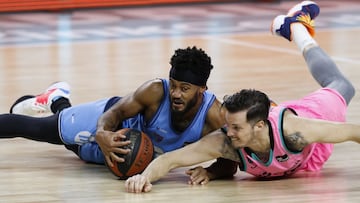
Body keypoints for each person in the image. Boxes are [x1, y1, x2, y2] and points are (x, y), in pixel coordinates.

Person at [124, 1, 359, 193]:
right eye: (228, 125)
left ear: (259, 126)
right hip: (296, 164)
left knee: (342, 86)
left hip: (313, 122)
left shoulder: (296, 131)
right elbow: (169, 160)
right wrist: (143, 178)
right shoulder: (226, 141)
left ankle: (296, 28)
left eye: (236, 127)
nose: (229, 132)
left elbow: (354, 132)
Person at [4, 46, 238, 181]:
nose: (175, 93)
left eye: (184, 89)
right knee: (38, 130)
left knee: (76, 150)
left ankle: (57, 99)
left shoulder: (215, 116)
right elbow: (115, 113)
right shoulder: (155, 90)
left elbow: (230, 163)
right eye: (173, 84)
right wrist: (102, 132)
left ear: (202, 89)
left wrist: (210, 173)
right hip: (111, 121)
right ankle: (57, 102)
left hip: (129, 151)